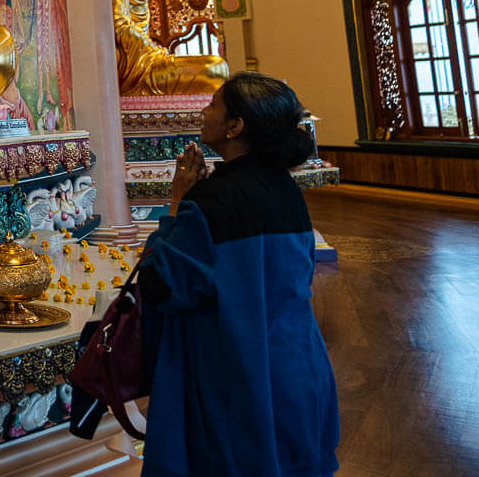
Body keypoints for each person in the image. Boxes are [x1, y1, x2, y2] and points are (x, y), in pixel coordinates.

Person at [137, 72, 340, 476]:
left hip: (232, 376)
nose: (203, 111)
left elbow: (162, 285)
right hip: (297, 367)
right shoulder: (287, 192)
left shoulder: (209, 203)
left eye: (213, 105)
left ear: (235, 127)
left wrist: (177, 200)